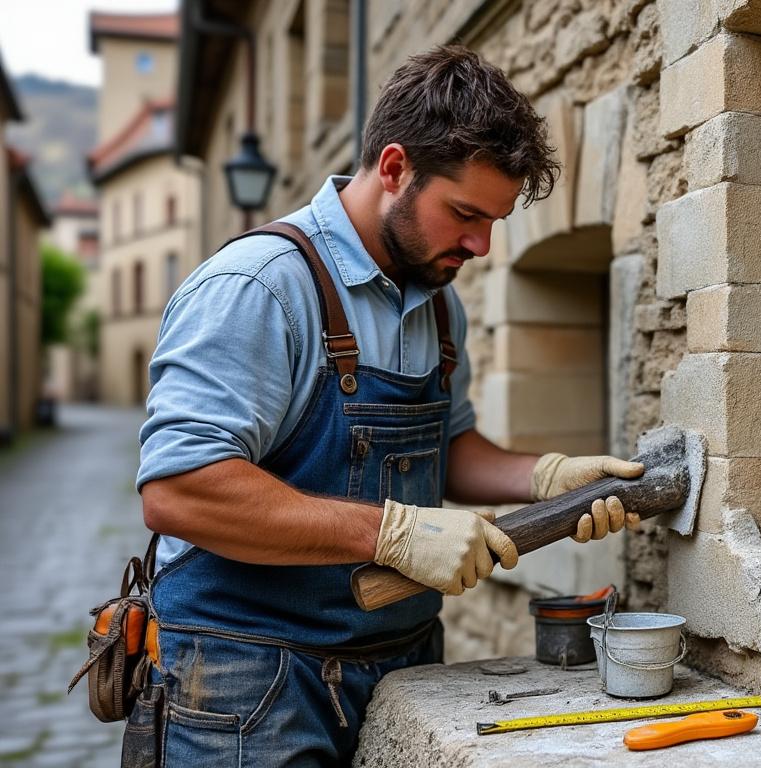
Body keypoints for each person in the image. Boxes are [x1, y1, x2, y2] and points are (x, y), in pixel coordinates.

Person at [128, 44, 643, 765]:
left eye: (494, 222)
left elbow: (446, 445)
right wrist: (394, 533)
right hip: (249, 682)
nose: (482, 245)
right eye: (465, 213)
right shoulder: (260, 289)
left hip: (404, 665)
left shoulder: (438, 304)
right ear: (395, 168)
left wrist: (547, 476)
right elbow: (180, 493)